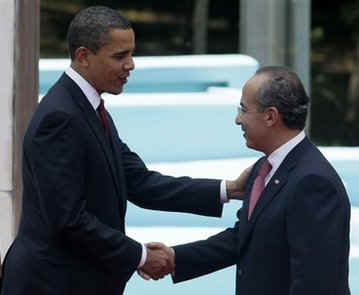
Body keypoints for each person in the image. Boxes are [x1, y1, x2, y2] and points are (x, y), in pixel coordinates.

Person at [0, 6, 250, 295]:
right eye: (120, 56)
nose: (130, 65)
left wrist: (229, 189)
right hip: (51, 284)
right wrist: (141, 256)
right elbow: (68, 220)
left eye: (131, 54)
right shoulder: (61, 119)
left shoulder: (88, 109)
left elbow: (140, 182)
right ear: (83, 56)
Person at [148, 66, 351, 294]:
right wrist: (176, 258)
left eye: (243, 110)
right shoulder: (265, 169)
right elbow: (244, 238)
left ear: (270, 116)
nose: (237, 120)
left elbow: (317, 283)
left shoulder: (312, 182)